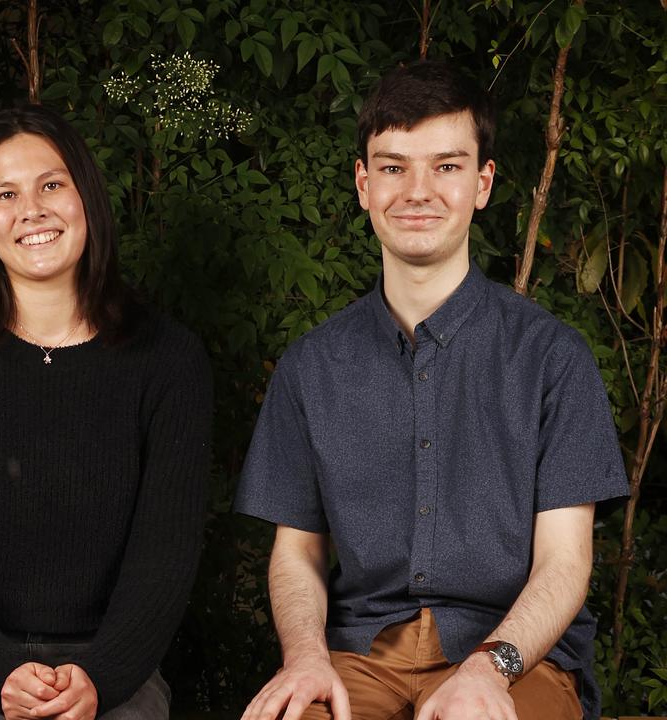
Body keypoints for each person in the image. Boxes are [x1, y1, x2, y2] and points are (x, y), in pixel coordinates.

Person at [234, 60, 627, 720]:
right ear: (363, 184)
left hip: (513, 661)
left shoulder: (553, 358)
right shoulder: (311, 366)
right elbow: (295, 553)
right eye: (392, 167)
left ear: (483, 183)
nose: (417, 190)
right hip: (360, 659)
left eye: (446, 166)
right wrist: (304, 655)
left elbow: (565, 563)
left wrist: (489, 669)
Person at [0, 104, 213, 720]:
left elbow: (164, 554)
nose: (31, 210)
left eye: (52, 185)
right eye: (5, 193)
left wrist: (102, 676)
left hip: (113, 660)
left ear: (86, 196)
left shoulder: (167, 359)